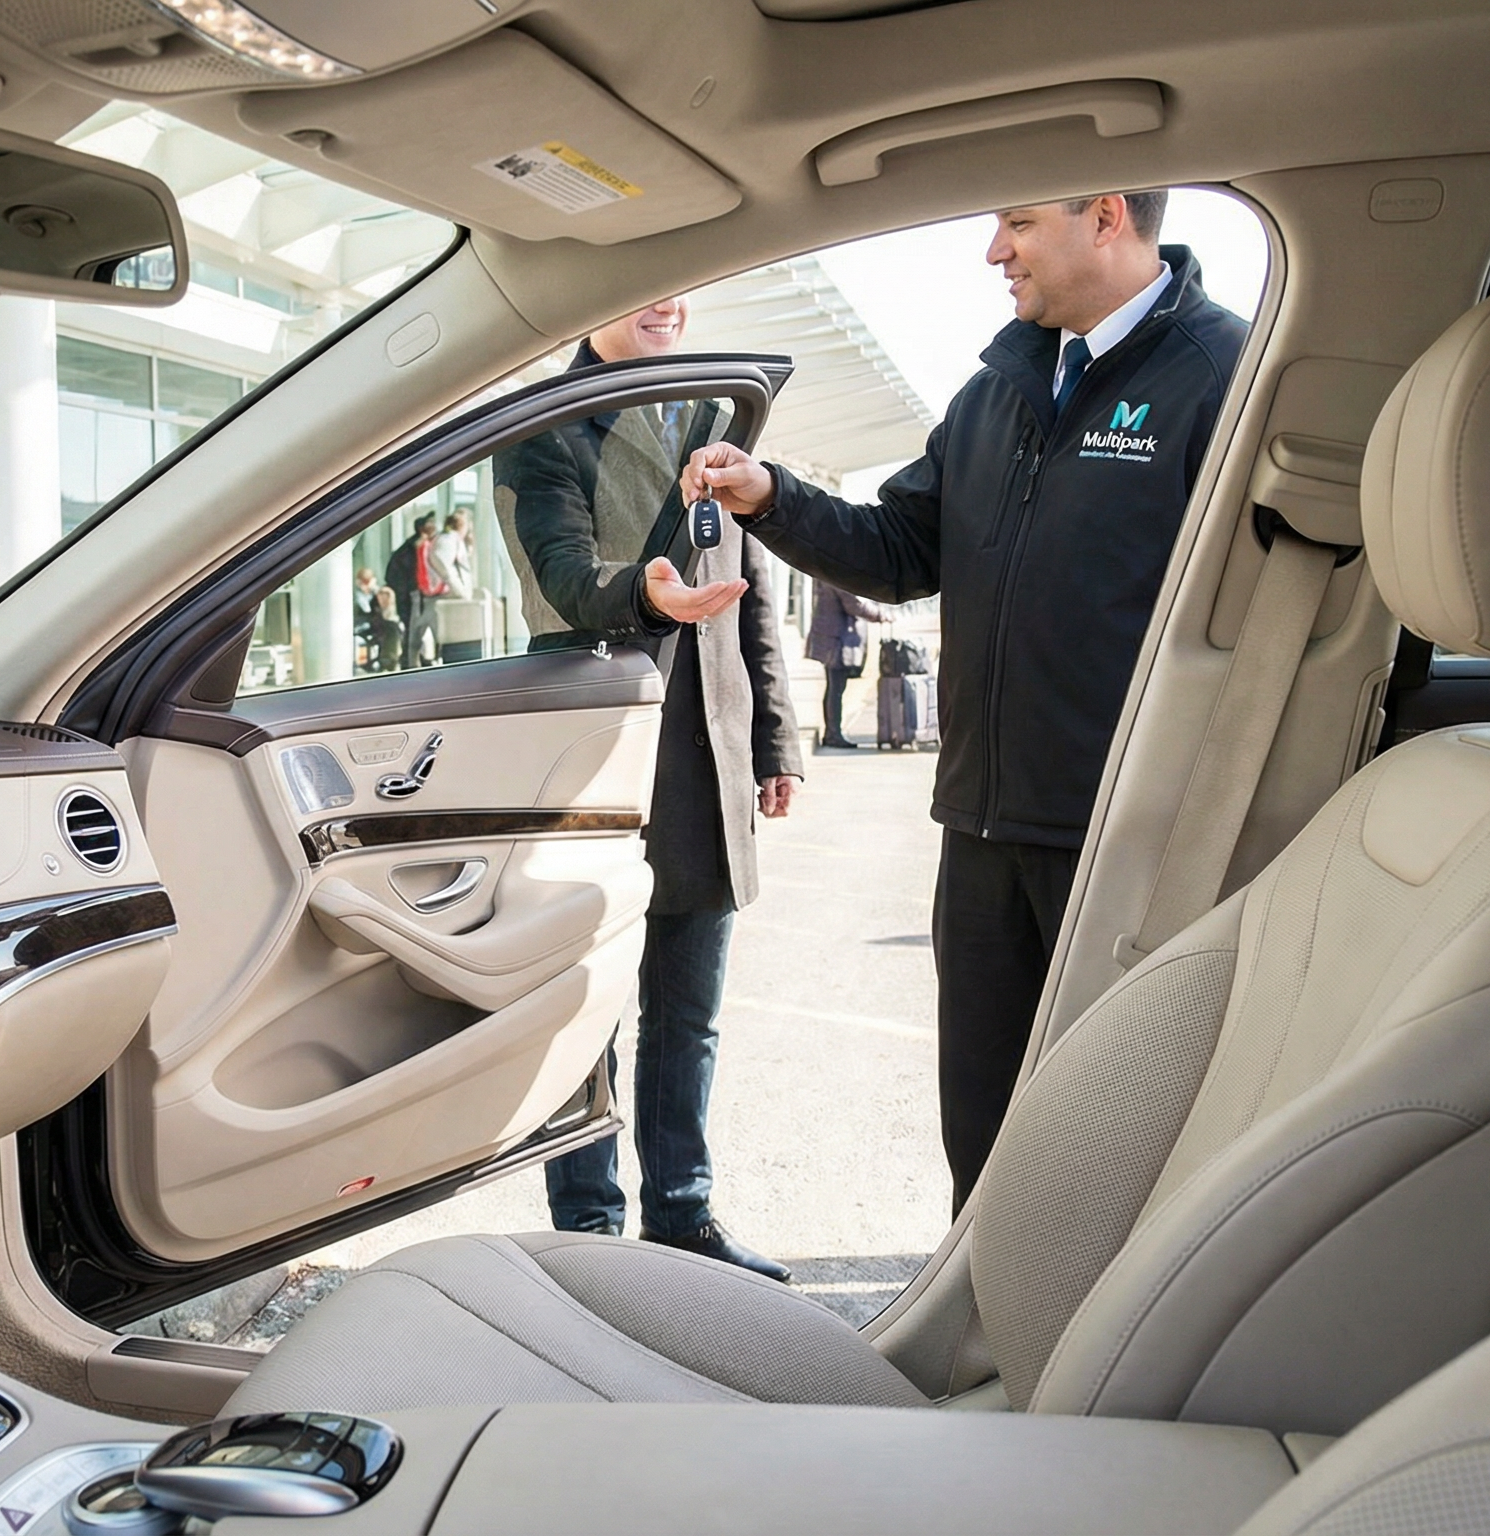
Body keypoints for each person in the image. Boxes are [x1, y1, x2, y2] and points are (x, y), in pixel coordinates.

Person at [677, 191, 1248, 1212]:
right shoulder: (1000, 388)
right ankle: (977, 1337)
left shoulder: (1221, 378)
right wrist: (769, 496)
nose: (995, 252)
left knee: (1113, 1142)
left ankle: (1099, 1361)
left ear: (1106, 216)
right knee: (982, 1129)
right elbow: (901, 550)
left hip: (1124, 839)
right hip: (980, 827)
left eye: (1017, 224)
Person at [497, 294, 804, 1280]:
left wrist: (776, 740)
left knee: (689, 1012)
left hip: (706, 753)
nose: (664, 303)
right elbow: (563, 572)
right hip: (598, 752)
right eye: (645, 283)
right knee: (585, 1007)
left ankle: (681, 1217)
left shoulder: (717, 424)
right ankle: (586, 1232)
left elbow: (750, 605)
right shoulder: (547, 424)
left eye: (680, 286)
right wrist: (643, 591)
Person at [805, 579, 894, 749]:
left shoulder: (826, 569)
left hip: (832, 637)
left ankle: (832, 732)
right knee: (836, 689)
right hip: (836, 640)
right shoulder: (835, 573)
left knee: (834, 687)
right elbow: (855, 604)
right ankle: (833, 733)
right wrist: (881, 614)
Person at [383, 513, 444, 667]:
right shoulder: (413, 549)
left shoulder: (417, 547)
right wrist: (409, 591)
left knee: (418, 632)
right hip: (413, 596)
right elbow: (396, 575)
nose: (434, 528)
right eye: (430, 524)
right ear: (422, 528)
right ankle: (410, 663)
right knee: (414, 632)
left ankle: (416, 660)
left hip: (416, 595)